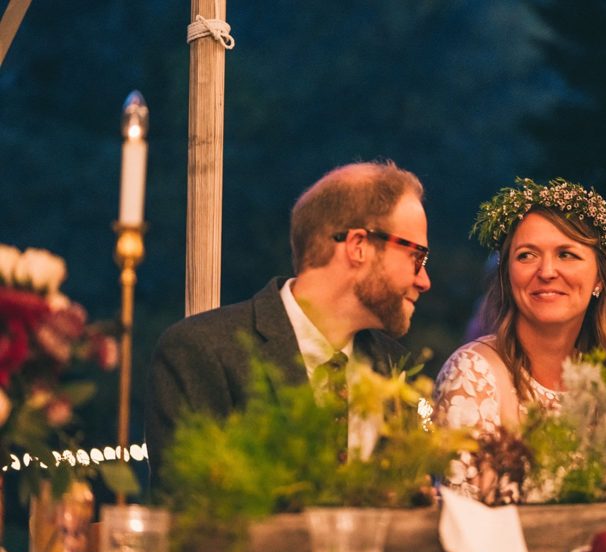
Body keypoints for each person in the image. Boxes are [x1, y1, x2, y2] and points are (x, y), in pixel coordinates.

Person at [145, 161, 432, 487]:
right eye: (417, 257)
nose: (424, 281)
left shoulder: (395, 368)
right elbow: (190, 506)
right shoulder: (202, 352)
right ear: (358, 246)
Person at [434, 177, 606, 501]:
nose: (547, 271)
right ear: (508, 276)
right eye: (527, 255)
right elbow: (467, 516)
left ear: (600, 280)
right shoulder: (472, 375)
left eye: (566, 254)